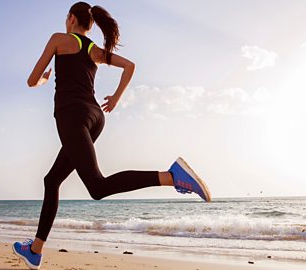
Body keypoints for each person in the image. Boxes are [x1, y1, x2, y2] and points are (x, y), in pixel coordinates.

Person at [12, 2, 211, 269]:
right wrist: (116, 97)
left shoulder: (59, 39)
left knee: (97, 187)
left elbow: (31, 79)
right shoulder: (93, 49)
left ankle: (171, 176)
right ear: (89, 24)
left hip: (72, 117)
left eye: (66, 17)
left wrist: (44, 81)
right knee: (52, 179)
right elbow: (129, 65)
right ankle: (35, 250)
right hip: (95, 118)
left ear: (71, 19)